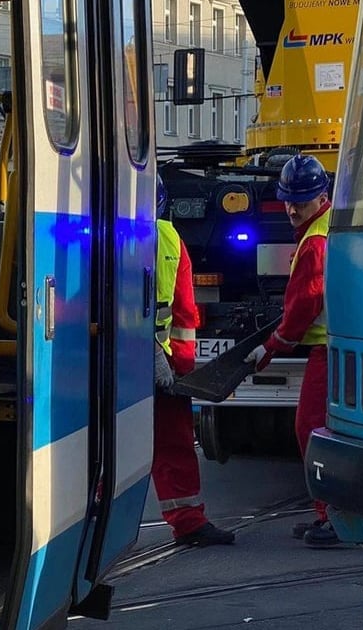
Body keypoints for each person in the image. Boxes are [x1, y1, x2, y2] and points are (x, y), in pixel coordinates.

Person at [243, 154, 339, 547]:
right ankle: (336, 513)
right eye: (288, 199)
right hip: (342, 346)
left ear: (321, 196)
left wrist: (271, 347)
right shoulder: (329, 225)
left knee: (311, 428)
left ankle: (331, 516)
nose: (292, 208)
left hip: (326, 351)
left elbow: (304, 304)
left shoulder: (315, 242)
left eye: (301, 200)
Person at [152, 173, 235, 547]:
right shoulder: (171, 240)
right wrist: (179, 370)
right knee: (173, 442)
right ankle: (187, 522)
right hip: (161, 364)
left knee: (103, 443)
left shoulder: (92, 234)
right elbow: (184, 314)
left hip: (111, 361)